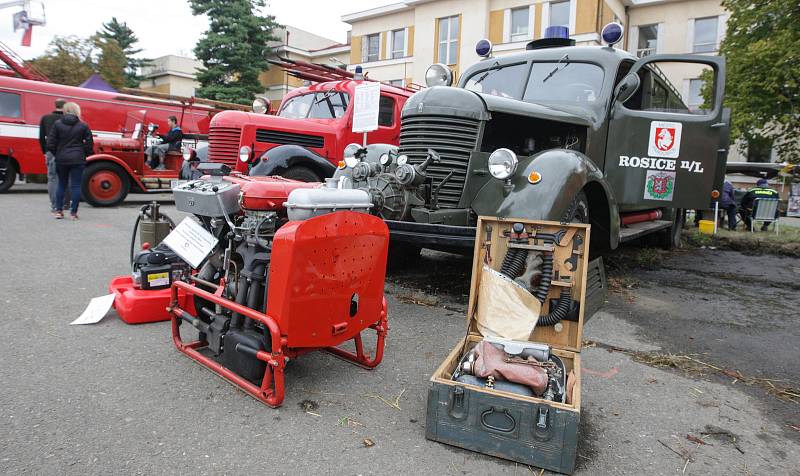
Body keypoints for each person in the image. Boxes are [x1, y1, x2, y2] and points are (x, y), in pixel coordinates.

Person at [46, 102, 93, 220]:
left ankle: (59, 211)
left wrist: (58, 153)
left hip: (61, 159)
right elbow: (89, 144)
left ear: (64, 111)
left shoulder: (57, 124)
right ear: (77, 111)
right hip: (78, 159)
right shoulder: (83, 125)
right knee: (76, 185)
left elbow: (50, 143)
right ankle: (73, 213)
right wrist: (85, 154)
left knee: (61, 184)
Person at [39, 99, 65, 214]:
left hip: (50, 151)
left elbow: (41, 137)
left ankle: (54, 205)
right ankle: (64, 203)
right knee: (64, 177)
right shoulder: (67, 119)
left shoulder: (45, 118)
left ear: (55, 105)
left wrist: (45, 151)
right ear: (65, 106)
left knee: (52, 178)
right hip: (65, 151)